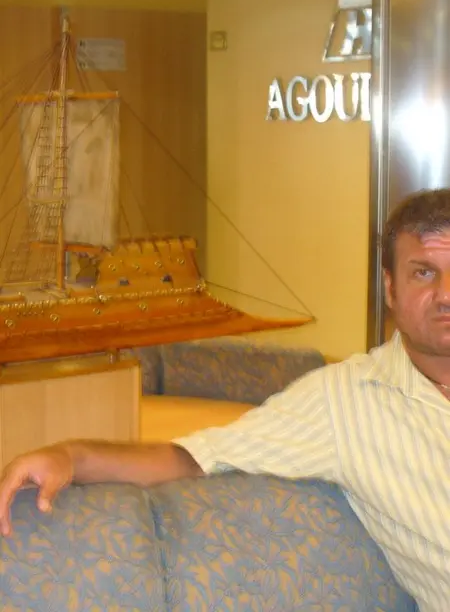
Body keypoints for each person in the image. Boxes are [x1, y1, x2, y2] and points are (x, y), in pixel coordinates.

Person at [0, 188, 449, 611]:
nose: (446, 294)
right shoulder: (347, 401)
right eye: (423, 272)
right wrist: (70, 456)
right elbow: (193, 458)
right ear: (390, 288)